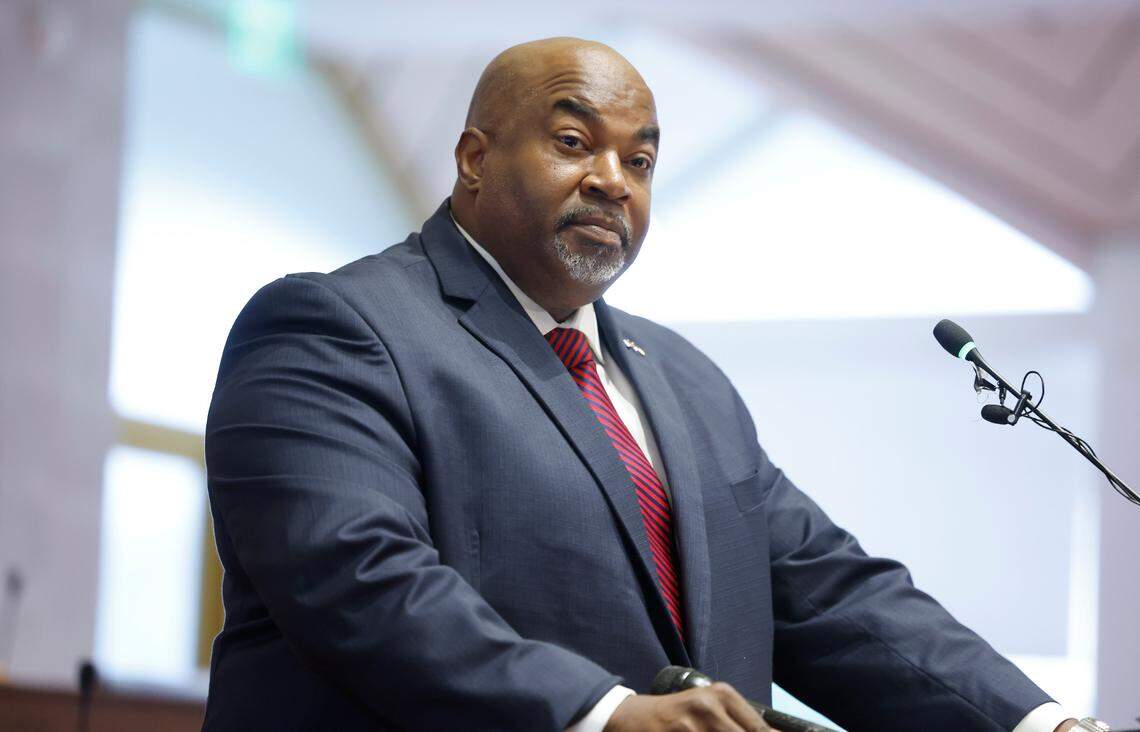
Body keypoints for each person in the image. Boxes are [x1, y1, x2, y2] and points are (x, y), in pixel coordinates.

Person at [201, 37, 1085, 731]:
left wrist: (1039, 724)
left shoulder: (686, 382)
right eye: (575, 141)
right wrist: (603, 714)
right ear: (475, 156)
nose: (611, 182)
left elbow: (832, 594)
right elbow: (358, 580)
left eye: (642, 161)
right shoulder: (333, 330)